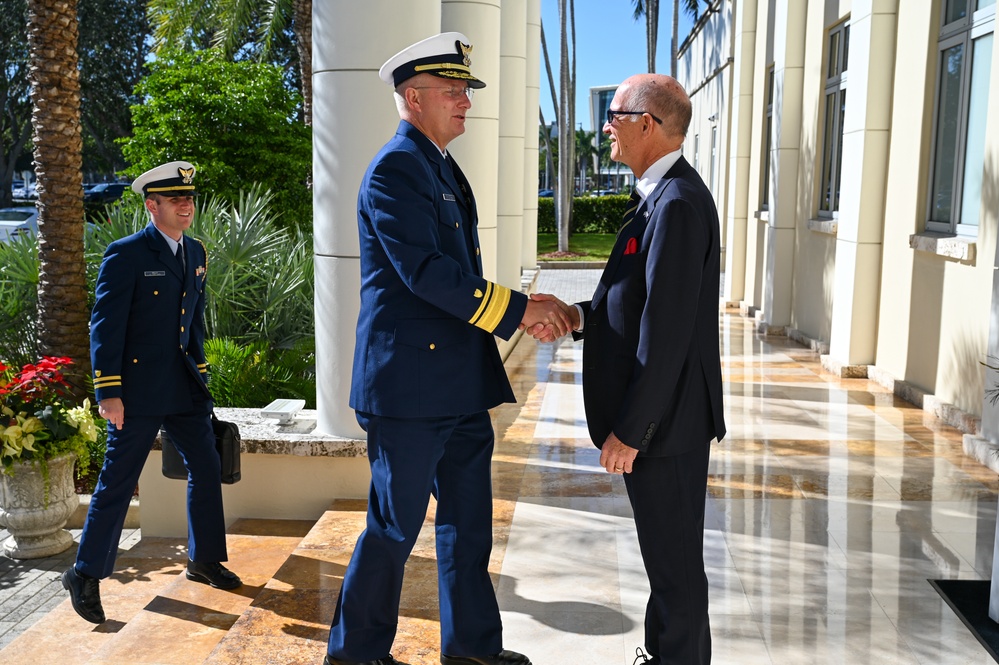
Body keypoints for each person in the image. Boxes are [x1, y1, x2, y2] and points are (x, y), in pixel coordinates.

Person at [323, 32, 568, 665]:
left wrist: (520, 310)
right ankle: (355, 656)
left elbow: (455, 275)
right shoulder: (396, 168)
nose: (465, 102)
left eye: (465, 91)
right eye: (453, 91)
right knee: (393, 528)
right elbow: (427, 274)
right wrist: (521, 311)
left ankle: (472, 651)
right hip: (407, 389)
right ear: (412, 97)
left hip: (455, 384)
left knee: (469, 526)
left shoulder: (437, 164)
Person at [528, 74, 726, 664]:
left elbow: (665, 338)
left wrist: (630, 431)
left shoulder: (680, 205)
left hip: (665, 428)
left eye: (612, 114)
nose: (604, 127)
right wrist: (578, 316)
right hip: (665, 424)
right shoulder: (660, 197)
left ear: (647, 123)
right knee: (669, 561)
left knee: (675, 571)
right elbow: (635, 304)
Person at [62, 161, 241, 625]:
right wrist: (108, 392)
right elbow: (105, 326)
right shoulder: (126, 255)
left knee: (205, 465)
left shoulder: (195, 251)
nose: (186, 205)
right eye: (175, 199)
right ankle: (84, 572)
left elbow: (193, 321)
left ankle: (203, 560)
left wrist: (200, 374)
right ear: (151, 205)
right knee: (119, 480)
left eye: (189, 198)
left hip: (182, 385)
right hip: (137, 391)